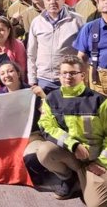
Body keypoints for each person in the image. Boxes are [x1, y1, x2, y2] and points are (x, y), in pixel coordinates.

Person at [37, 55, 107, 205]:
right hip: (71, 154)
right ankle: (69, 179)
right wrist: (73, 144)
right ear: (60, 75)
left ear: (82, 75)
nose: (68, 76)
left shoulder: (99, 101)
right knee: (44, 151)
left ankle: (85, 181)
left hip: (95, 160)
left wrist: (101, 163)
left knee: (98, 204)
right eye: (64, 73)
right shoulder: (51, 99)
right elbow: (46, 126)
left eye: (73, 73)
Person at [0, 62, 47, 185]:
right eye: (2, 73)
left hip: (32, 137)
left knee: (31, 159)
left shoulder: (32, 92)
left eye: (10, 71)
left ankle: (36, 170)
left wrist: (43, 96)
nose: (6, 75)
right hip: (11, 139)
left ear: (18, 73)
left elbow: (48, 114)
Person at [27, 0, 84, 93]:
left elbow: (83, 53)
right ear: (44, 1)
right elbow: (31, 53)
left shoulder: (77, 21)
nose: (52, 2)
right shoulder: (37, 22)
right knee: (45, 110)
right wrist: (32, 79)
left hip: (68, 78)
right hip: (43, 79)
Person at [73, 0, 107, 96]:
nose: (106, 1)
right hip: (98, 82)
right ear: (97, 4)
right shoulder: (89, 28)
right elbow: (81, 57)